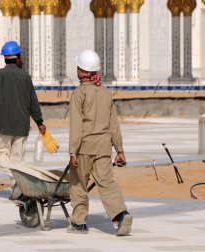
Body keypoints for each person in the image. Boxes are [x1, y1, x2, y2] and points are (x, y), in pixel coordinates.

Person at [68, 49, 132, 236]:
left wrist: (73, 152)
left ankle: (79, 222)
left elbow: (76, 126)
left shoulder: (79, 94)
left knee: (78, 183)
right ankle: (121, 215)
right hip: (104, 147)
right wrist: (119, 149)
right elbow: (114, 123)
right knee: (106, 183)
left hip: (84, 148)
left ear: (81, 71)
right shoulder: (105, 92)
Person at [0, 41, 46, 179]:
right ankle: (21, 185)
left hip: (4, 125)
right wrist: (39, 122)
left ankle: (18, 180)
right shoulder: (25, 76)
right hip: (22, 126)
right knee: (17, 160)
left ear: (5, 58)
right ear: (18, 58)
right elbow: (33, 101)